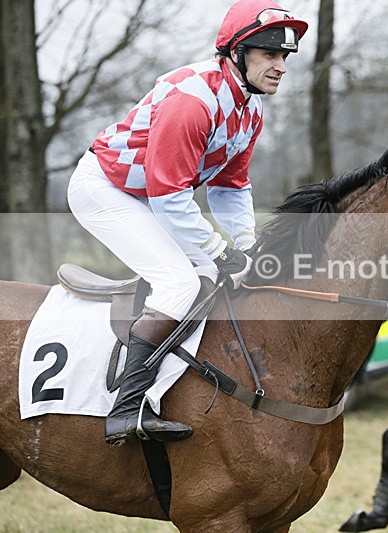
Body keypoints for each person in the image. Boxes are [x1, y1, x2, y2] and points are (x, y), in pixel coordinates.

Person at [66, 0, 308, 446]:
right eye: (270, 54)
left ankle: (170, 390)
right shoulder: (192, 102)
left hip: (154, 196)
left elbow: (231, 186)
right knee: (179, 284)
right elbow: (169, 195)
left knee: (217, 278)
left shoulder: (249, 108)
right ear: (237, 52)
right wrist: (220, 250)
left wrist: (246, 245)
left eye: (285, 57)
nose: (281, 66)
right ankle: (126, 409)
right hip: (106, 190)